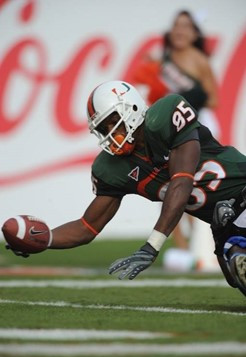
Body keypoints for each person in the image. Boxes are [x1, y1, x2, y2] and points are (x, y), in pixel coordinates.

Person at [3, 80, 246, 297]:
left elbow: (181, 181)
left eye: (112, 123)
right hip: (226, 220)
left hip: (241, 189)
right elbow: (87, 227)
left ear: (131, 109)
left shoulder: (164, 116)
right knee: (235, 268)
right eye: (103, 129)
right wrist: (45, 240)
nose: (110, 134)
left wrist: (152, 246)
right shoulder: (112, 168)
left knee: (234, 248)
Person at [133, 10, 219, 266]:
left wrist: (182, 99)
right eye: (176, 26)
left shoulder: (199, 61)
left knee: (189, 185)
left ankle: (200, 247)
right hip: (167, 130)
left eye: (185, 27)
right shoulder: (162, 61)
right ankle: (183, 250)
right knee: (168, 186)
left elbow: (213, 99)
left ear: (194, 33)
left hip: (195, 127)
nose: (180, 31)